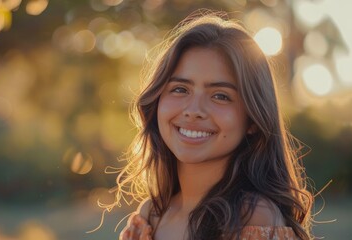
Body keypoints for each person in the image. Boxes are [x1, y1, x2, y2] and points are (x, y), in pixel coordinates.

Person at [106, 9, 313, 240]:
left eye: (220, 96)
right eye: (180, 89)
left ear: (252, 120)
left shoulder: (252, 217)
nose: (194, 111)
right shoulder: (150, 217)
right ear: (156, 102)